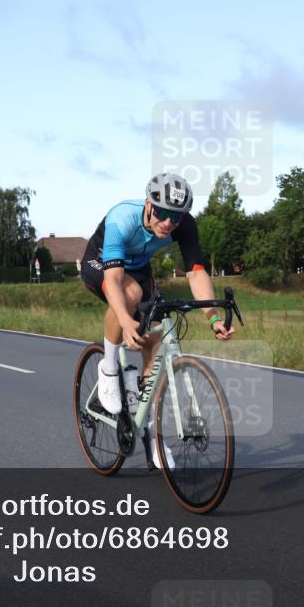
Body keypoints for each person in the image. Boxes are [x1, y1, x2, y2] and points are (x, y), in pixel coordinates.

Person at [81, 174, 236, 465]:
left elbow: (196, 273)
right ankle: (109, 368)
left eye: (176, 217)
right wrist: (125, 319)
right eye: (163, 213)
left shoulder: (184, 225)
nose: (168, 222)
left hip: (139, 269)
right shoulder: (122, 218)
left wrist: (213, 317)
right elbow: (113, 280)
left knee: (155, 338)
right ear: (149, 204)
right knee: (130, 294)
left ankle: (150, 428)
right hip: (101, 263)